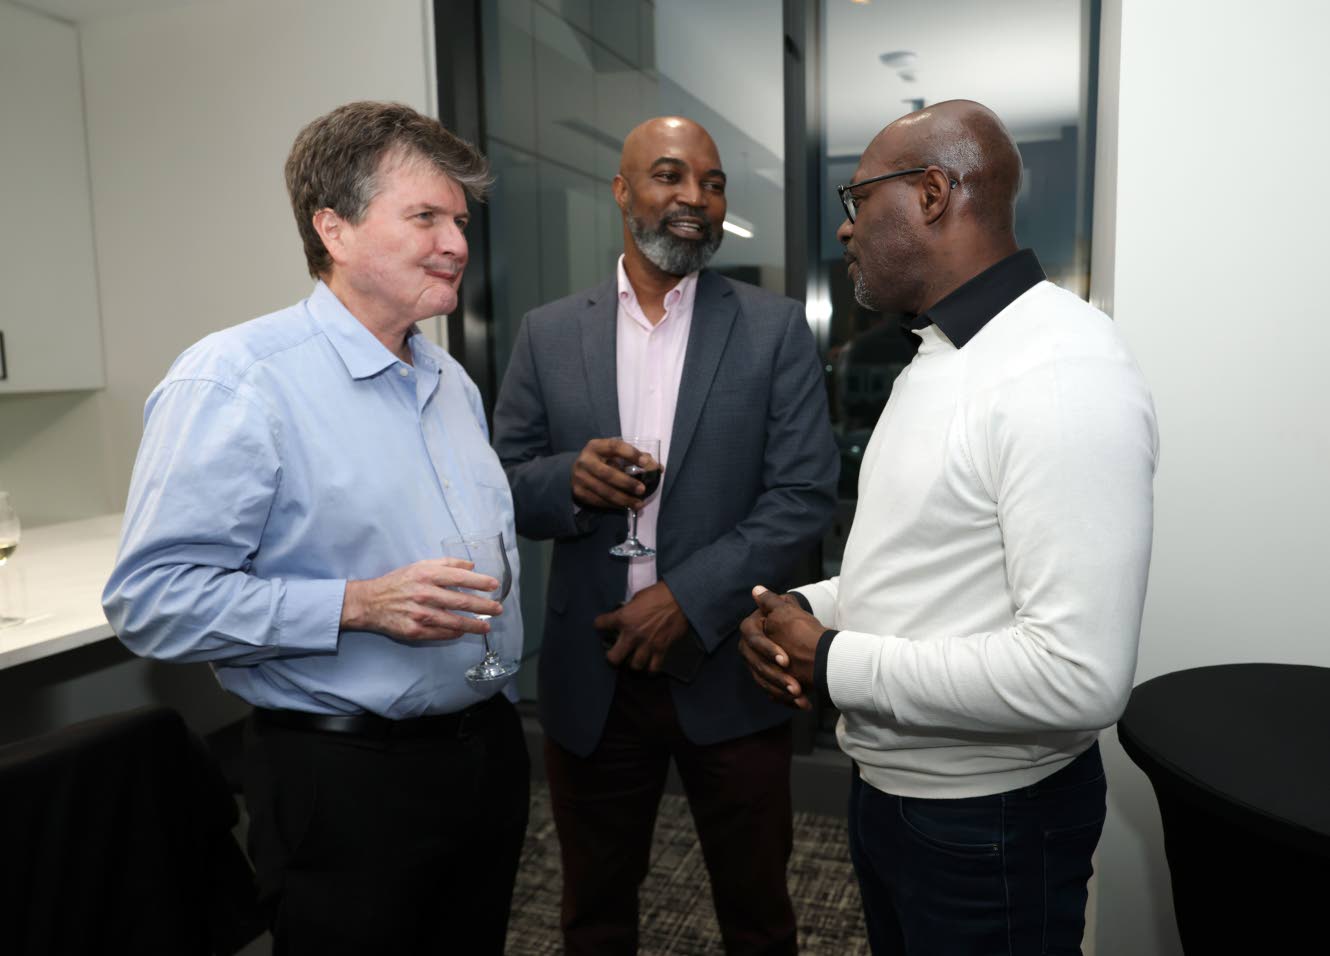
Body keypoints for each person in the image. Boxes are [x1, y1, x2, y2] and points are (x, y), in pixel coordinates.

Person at [103, 101, 529, 956]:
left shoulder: (451, 381)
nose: (456, 243)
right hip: (345, 783)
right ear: (333, 229)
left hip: (485, 754)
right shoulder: (236, 380)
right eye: (426, 217)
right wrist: (357, 605)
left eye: (460, 221)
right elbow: (152, 601)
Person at [739, 100, 1158, 955]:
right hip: (894, 794)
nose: (846, 229)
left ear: (932, 193)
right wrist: (806, 608)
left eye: (859, 199)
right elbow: (923, 564)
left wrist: (831, 659)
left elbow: (1078, 676)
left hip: (990, 823)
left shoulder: (1060, 370)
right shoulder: (938, 356)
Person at [492, 116, 838, 954]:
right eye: (671, 176)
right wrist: (567, 481)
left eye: (713, 184)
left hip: (730, 672)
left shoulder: (773, 327)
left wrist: (686, 598)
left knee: (757, 913)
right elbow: (499, 485)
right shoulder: (547, 332)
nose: (695, 198)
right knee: (594, 911)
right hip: (593, 674)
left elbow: (803, 495)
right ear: (622, 190)